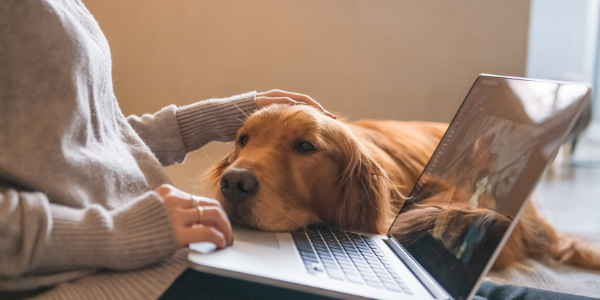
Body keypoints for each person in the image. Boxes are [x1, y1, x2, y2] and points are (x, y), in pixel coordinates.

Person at [0, 0, 334, 299]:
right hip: (84, 276)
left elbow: (82, 145)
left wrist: (224, 117)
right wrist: (119, 233)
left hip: (150, 251)